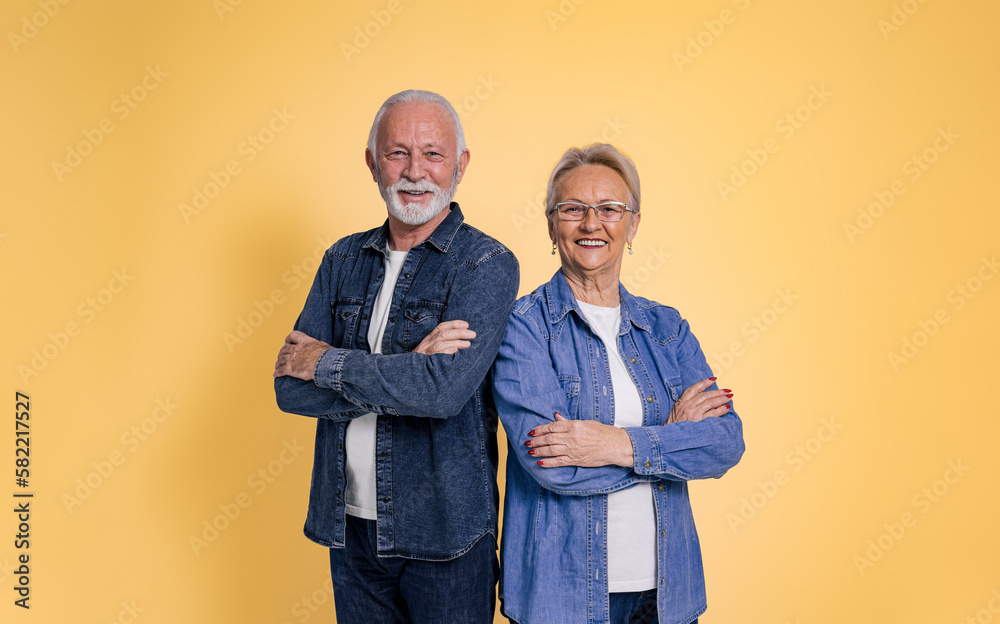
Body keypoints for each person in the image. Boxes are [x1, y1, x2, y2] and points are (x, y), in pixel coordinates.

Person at [273, 89, 519, 624]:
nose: (415, 171)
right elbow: (288, 389)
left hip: (446, 535)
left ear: (461, 165)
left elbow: (444, 394)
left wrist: (328, 362)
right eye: (397, 152)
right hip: (350, 527)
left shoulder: (487, 264)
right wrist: (412, 363)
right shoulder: (341, 258)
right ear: (372, 163)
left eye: (432, 153)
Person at [492, 143, 745, 624]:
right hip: (560, 596)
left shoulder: (666, 327)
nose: (592, 224)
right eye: (573, 209)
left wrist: (612, 442)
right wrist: (669, 440)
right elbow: (551, 466)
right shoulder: (523, 326)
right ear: (551, 224)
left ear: (633, 224)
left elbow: (725, 443)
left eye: (610, 208)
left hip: (668, 595)